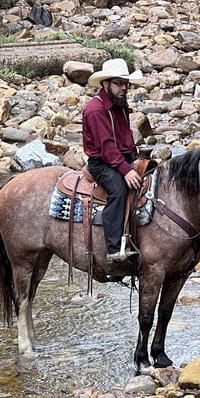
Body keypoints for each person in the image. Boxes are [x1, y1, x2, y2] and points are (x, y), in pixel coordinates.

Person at [82, 59, 143, 263]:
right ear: (105, 84)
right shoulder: (95, 110)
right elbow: (106, 147)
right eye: (118, 83)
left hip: (121, 158)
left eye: (125, 84)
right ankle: (114, 247)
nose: (124, 88)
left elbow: (126, 136)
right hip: (102, 163)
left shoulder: (120, 105)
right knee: (118, 190)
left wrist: (135, 158)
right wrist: (126, 170)